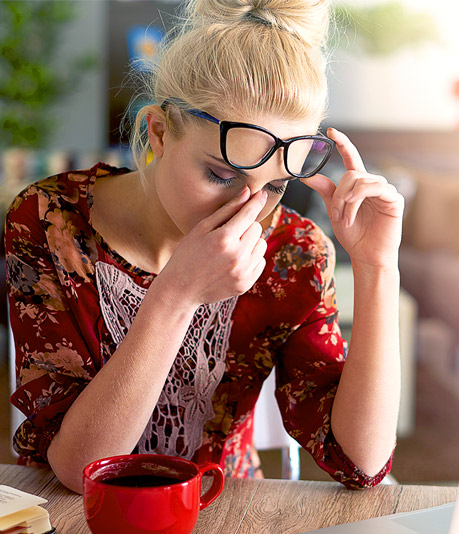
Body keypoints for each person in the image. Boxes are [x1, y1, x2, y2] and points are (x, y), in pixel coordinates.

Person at [4, 0, 404, 494]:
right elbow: (78, 469)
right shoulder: (51, 220)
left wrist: (377, 266)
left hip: (223, 516)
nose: (246, 209)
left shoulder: (292, 252)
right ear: (159, 132)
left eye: (275, 185)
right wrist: (177, 296)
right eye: (220, 174)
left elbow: (361, 464)